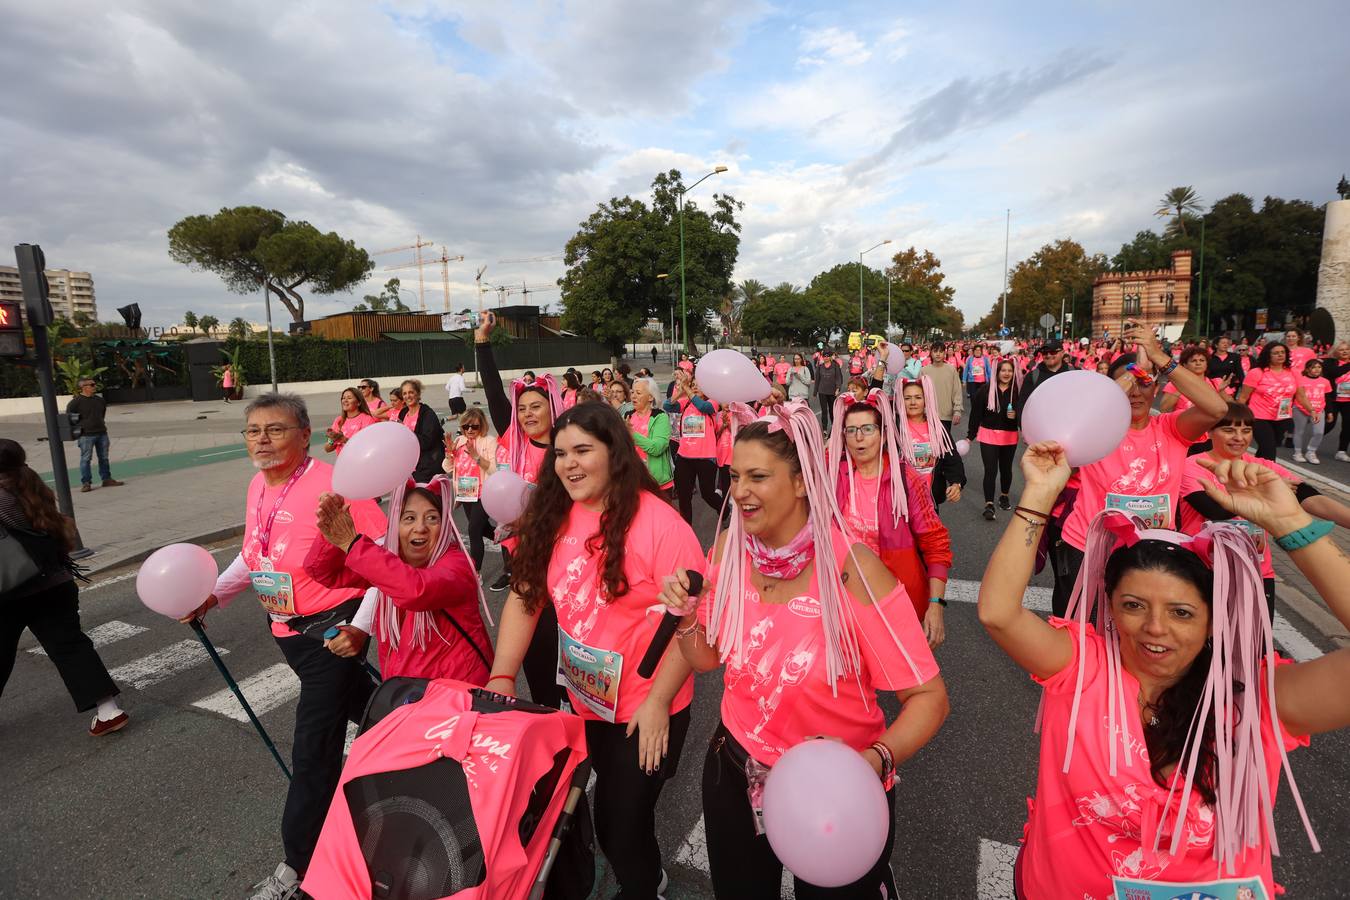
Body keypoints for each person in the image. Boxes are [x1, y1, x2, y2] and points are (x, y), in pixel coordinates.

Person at [979, 441, 1350, 899]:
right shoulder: (1084, 666)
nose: (1155, 629)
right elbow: (998, 612)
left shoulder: (1250, 696)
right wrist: (1038, 494)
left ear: (1216, 618)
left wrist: (1289, 523)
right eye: (1133, 605)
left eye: (1181, 613)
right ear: (1109, 608)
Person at [657, 400, 948, 898]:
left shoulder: (854, 570)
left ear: (799, 482)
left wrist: (875, 761)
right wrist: (686, 620)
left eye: (757, 477)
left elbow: (929, 698)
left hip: (836, 791)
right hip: (737, 766)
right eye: (734, 475)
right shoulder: (729, 549)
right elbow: (708, 658)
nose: (739, 492)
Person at [488, 402, 705, 900]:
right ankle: (646, 876)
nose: (569, 463)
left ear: (615, 453)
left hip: (650, 708)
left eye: (584, 449)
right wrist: (503, 675)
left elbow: (694, 626)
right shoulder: (551, 514)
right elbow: (526, 596)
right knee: (615, 811)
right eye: (561, 453)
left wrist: (656, 703)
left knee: (618, 825)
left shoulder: (662, 527)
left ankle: (644, 887)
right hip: (588, 701)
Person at [180, 394, 386, 900]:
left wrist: (360, 629)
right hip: (288, 631)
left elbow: (384, 563)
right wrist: (213, 595)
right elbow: (256, 555)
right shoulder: (257, 484)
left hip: (334, 632)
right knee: (376, 708)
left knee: (313, 750)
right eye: (253, 431)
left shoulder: (338, 486)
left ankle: (298, 867)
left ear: (305, 434)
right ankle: (434, 747)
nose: (263, 440)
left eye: (275, 429)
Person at [1054, 320, 1227, 618]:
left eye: (1145, 384)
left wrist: (1159, 357)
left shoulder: (1171, 428)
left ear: (1157, 389)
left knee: (1136, 640)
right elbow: (1074, 415)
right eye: (1127, 384)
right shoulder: (1094, 429)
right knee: (1085, 638)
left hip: (1151, 553)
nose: (1136, 392)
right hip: (1089, 549)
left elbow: (1216, 408)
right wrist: (1132, 374)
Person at [306, 476, 492, 684]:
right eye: (409, 518)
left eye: (432, 518)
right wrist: (331, 534)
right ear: (395, 524)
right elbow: (323, 572)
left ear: (445, 526)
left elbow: (416, 590)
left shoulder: (457, 564)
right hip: (404, 692)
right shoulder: (389, 560)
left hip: (456, 694)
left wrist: (352, 544)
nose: (420, 527)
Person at [0, 439, 127, 737]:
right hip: (55, 584)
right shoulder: (31, 485)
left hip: (11, 590)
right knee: (71, 647)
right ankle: (109, 710)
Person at [475, 311, 565, 708]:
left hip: (565, 568)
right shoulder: (512, 439)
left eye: (536, 406)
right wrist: (482, 341)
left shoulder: (569, 451)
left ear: (552, 408)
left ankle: (577, 721)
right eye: (523, 407)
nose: (528, 413)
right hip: (524, 570)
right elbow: (495, 391)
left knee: (570, 660)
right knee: (536, 658)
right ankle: (549, 719)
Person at [829, 392, 952, 646]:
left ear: (883, 433)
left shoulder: (905, 481)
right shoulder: (833, 476)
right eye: (850, 430)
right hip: (842, 599)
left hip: (895, 600)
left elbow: (936, 544)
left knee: (905, 679)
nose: (858, 438)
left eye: (866, 429)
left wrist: (935, 605)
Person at [441, 407, 500, 571]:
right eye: (465, 426)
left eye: (474, 426)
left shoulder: (489, 441)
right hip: (466, 492)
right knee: (484, 529)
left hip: (485, 493)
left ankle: (476, 572)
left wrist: (476, 456)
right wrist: (449, 453)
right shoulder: (459, 441)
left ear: (482, 426)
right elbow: (448, 467)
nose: (469, 430)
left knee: (473, 530)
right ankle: (510, 540)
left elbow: (495, 470)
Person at [897, 376, 965, 511]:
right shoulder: (894, 428)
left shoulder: (937, 428)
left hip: (929, 500)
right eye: (907, 398)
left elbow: (952, 459)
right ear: (901, 401)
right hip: (901, 500)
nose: (913, 402)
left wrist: (956, 483)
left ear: (926, 400)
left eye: (918, 397)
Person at [665, 371, 723, 525]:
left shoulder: (713, 402)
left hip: (706, 457)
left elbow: (703, 406)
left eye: (699, 386)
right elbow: (667, 406)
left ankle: (724, 509)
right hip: (684, 457)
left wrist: (688, 389)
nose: (695, 387)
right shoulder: (686, 403)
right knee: (684, 495)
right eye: (693, 385)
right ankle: (687, 528)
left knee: (707, 494)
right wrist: (680, 391)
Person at [967, 358, 1021, 521]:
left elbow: (1027, 415)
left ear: (1013, 373)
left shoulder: (1017, 391)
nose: (1006, 373)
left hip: (1009, 436)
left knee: (1006, 469)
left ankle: (1004, 495)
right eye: (1003, 370)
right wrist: (971, 434)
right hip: (988, 435)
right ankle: (988, 504)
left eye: (1009, 371)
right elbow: (975, 414)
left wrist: (1016, 415)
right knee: (990, 470)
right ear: (997, 372)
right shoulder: (985, 390)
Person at [1237, 342, 1308, 461]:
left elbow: (1301, 396)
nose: (1280, 355)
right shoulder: (1257, 372)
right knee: (1269, 450)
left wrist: (1311, 410)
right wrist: (1238, 417)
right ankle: (1269, 475)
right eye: (1276, 353)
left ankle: (1255, 469)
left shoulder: (1294, 372)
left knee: (1267, 448)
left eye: (1282, 352)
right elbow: (1243, 397)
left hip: (1282, 417)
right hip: (1259, 417)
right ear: (1268, 355)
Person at [66, 378, 124, 493]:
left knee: (104, 457)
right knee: (86, 459)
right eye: (92, 385)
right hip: (86, 435)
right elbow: (69, 417)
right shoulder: (75, 402)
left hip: (102, 433)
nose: (94, 386)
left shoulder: (100, 400)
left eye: (94, 384)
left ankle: (106, 479)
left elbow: (102, 414)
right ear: (84, 387)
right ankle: (86, 482)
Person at [628, 377, 674, 496]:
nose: (633, 396)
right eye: (632, 392)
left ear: (650, 397)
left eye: (638, 393)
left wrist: (631, 433)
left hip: (657, 483)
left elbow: (657, 448)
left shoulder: (660, 417)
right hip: (632, 482)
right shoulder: (627, 416)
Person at [396, 379, 446, 482]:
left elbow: (427, 442)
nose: (408, 396)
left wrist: (406, 432)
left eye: (411, 392)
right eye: (404, 393)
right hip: (408, 467)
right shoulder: (403, 413)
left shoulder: (428, 414)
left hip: (426, 467)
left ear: (418, 394)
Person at [1160, 347, 1230, 414]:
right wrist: (1182, 387)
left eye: (1202, 360)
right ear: (1185, 365)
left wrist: (1221, 392)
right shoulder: (1174, 384)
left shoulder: (1218, 382)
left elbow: (1233, 409)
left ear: (1207, 364)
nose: (1198, 363)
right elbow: (1163, 409)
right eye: (1193, 361)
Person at [919, 342, 963, 435]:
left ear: (944, 353)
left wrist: (957, 410)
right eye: (935, 351)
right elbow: (919, 392)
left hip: (946, 415)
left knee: (944, 445)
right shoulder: (924, 371)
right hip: (928, 414)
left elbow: (957, 391)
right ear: (931, 353)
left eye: (941, 351)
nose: (938, 354)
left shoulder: (951, 370)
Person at [1293, 357, 1329, 464]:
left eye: (1319, 367)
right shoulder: (1300, 380)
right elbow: (1296, 395)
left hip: (1318, 409)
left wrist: (1330, 411)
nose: (1317, 369)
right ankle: (1297, 452)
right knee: (1299, 431)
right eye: (1313, 367)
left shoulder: (1325, 381)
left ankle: (1311, 452)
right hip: (1300, 408)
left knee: (1319, 432)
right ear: (1307, 369)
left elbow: (1328, 397)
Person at [1018, 340, 1073, 408]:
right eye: (1045, 352)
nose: (1048, 355)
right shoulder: (1032, 376)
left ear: (1062, 353)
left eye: (1053, 352)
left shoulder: (1075, 372)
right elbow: (1022, 405)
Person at [323, 387, 376, 455]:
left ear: (359, 402)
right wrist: (332, 440)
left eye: (349, 398)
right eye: (343, 398)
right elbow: (327, 449)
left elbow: (368, 447)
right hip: (343, 463)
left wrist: (344, 440)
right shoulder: (339, 420)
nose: (345, 400)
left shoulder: (367, 419)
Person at [814, 348, 844, 431]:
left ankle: (834, 428)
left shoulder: (835, 366)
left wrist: (838, 388)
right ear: (822, 357)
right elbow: (817, 380)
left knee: (832, 410)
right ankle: (824, 429)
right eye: (824, 356)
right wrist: (814, 392)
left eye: (827, 356)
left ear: (830, 357)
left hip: (832, 392)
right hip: (822, 391)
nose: (826, 358)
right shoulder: (820, 367)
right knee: (824, 411)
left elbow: (838, 378)